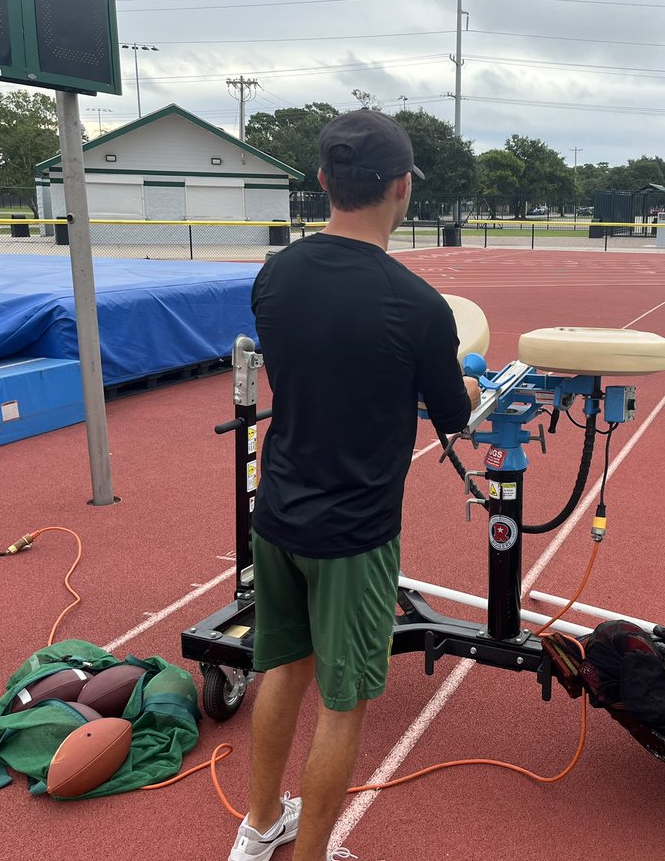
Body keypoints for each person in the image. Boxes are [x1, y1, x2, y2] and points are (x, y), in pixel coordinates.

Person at [231, 109, 481, 861]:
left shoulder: (274, 274)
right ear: (402, 189)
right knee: (344, 706)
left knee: (281, 669)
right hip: (354, 534)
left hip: (276, 515)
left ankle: (259, 826)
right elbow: (452, 417)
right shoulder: (417, 305)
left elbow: (316, 364)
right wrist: (462, 381)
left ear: (322, 182)